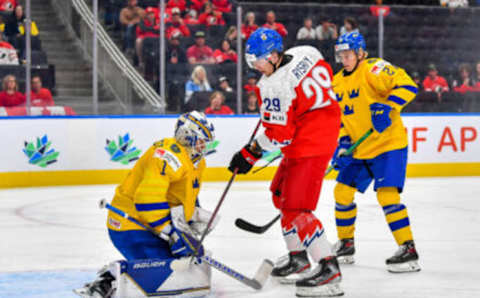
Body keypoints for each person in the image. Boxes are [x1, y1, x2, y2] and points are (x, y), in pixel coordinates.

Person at [229, 28, 343, 297]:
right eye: (251, 61)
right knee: (279, 194)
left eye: (258, 60)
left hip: (310, 145)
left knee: (297, 209)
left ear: (274, 55)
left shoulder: (272, 86)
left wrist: (250, 153)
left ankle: (329, 269)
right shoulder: (306, 51)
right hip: (314, 134)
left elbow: (280, 134)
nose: (255, 66)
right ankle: (298, 258)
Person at [75, 111, 216, 297]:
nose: (203, 146)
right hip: (130, 224)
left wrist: (191, 220)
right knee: (167, 274)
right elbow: (147, 200)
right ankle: (111, 278)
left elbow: (187, 194)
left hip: (155, 224)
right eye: (200, 140)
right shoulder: (168, 157)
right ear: (186, 136)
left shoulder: (197, 162)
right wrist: (172, 233)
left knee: (188, 266)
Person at [332, 32, 420, 273]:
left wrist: (388, 105)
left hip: (388, 145)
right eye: (341, 55)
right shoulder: (337, 81)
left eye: (348, 54)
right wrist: (342, 144)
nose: (344, 59)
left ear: (361, 53)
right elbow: (342, 118)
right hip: (360, 149)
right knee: (341, 193)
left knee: (387, 196)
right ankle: (346, 245)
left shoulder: (374, 69)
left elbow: (408, 85)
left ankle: (408, 248)